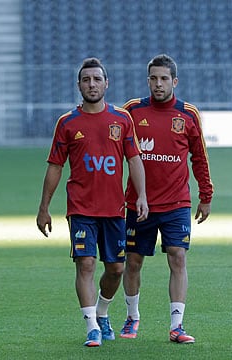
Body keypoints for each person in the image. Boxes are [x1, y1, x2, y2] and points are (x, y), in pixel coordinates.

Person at [36, 57, 149, 347]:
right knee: (85, 264)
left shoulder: (122, 119)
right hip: (81, 209)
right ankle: (92, 328)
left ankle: (101, 313)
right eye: (86, 80)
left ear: (106, 83)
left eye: (97, 79)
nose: (92, 84)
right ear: (79, 85)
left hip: (114, 209)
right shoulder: (67, 123)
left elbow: (134, 159)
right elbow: (55, 166)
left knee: (116, 270)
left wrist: (142, 197)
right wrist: (44, 208)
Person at [121, 54, 213, 344]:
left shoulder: (188, 115)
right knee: (133, 262)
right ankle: (132, 317)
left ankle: (177, 326)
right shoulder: (132, 112)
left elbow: (199, 157)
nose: (158, 84)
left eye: (164, 79)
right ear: (147, 80)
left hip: (176, 203)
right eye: (153, 78)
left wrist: (206, 195)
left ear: (174, 81)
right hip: (138, 203)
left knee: (178, 257)